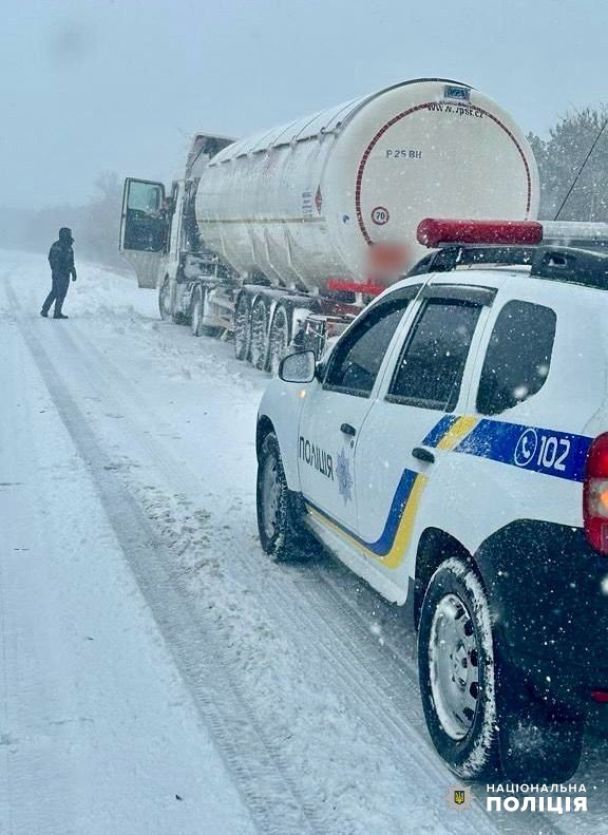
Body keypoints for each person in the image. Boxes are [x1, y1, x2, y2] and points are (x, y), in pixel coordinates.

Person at [40, 227, 77, 319]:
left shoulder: (69, 247)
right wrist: (58, 269)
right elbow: (52, 259)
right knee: (60, 293)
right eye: (67, 233)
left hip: (64, 273)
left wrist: (73, 271)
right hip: (59, 273)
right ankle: (56, 312)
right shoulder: (58, 246)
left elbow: (71, 261)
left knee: (55, 291)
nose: (69, 235)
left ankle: (45, 309)